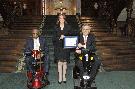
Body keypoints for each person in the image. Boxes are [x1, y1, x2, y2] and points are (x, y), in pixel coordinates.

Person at [53, 14, 71, 84]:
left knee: (65, 62)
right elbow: (53, 38)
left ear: (64, 19)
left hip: (66, 47)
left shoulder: (68, 27)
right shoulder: (55, 27)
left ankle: (64, 76)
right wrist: (59, 38)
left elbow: (72, 35)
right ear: (58, 19)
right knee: (59, 63)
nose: (61, 19)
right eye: (60, 18)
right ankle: (60, 77)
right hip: (58, 46)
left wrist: (65, 36)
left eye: (62, 18)